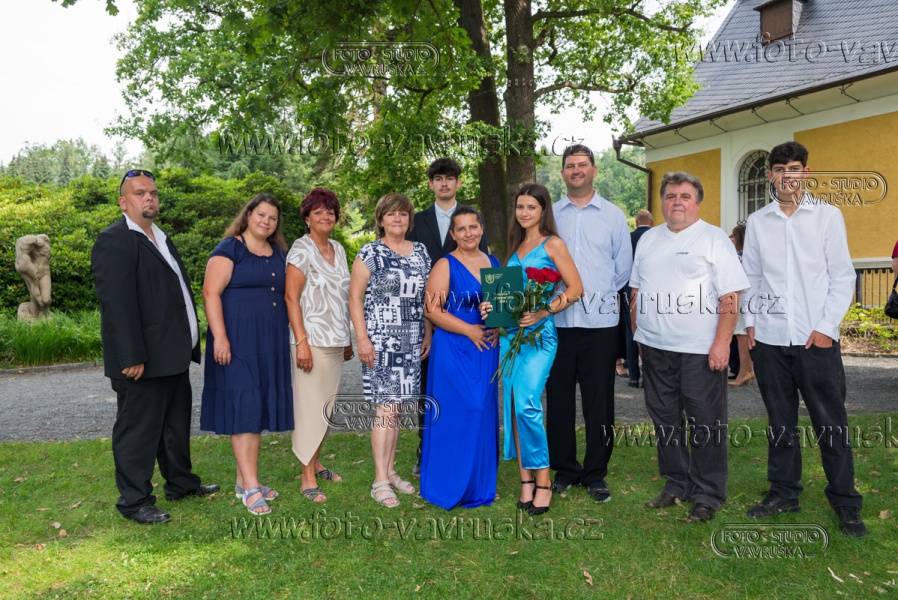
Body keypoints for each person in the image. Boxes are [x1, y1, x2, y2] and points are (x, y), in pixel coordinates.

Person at [742, 141, 866, 537]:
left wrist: (827, 328)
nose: (787, 175)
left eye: (794, 168)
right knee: (780, 422)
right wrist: (750, 322)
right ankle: (784, 493)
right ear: (770, 176)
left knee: (830, 423)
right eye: (779, 169)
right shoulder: (758, 222)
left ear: (805, 173)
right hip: (770, 340)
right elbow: (752, 277)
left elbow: (842, 277)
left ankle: (845, 502)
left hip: (816, 340)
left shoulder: (827, 216)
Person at [91, 169, 219, 525]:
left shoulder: (160, 237)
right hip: (142, 361)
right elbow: (117, 305)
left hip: (172, 356)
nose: (149, 198)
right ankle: (135, 502)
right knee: (138, 432)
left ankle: (180, 483)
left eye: (153, 193)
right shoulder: (115, 240)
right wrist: (131, 356)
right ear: (123, 202)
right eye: (139, 193)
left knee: (174, 427)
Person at [630, 171, 748, 523]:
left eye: (684, 196)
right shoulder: (648, 240)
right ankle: (675, 483)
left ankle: (707, 494)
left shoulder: (714, 238)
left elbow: (730, 296)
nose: (677, 202)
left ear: (697, 203)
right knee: (664, 419)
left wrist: (722, 343)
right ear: (662, 202)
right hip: (654, 347)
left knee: (705, 422)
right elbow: (636, 291)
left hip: (699, 349)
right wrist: (639, 336)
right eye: (670, 196)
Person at [483, 183, 583, 516]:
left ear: (543, 211)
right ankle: (525, 481)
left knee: (527, 405)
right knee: (513, 406)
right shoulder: (515, 245)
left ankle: (544, 481)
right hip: (510, 337)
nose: (524, 213)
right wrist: (492, 309)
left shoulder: (553, 244)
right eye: (520, 207)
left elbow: (576, 288)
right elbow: (506, 294)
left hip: (539, 337)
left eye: (531, 207)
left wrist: (544, 311)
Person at [547, 145, 632, 503]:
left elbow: (622, 269)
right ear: (563, 173)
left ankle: (596, 472)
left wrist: (596, 294)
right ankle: (565, 469)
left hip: (600, 323)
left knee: (600, 401)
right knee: (559, 400)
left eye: (583, 165)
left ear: (594, 170)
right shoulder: (550, 215)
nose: (576, 170)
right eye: (570, 165)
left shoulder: (613, 215)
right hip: (557, 322)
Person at [200, 194, 293, 515]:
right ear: (248, 215)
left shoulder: (278, 253)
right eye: (261, 215)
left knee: (257, 407)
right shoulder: (230, 248)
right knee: (244, 408)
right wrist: (220, 337)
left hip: (269, 341)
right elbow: (210, 292)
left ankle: (245, 482)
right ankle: (252, 488)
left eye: (272, 218)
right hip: (237, 341)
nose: (266, 222)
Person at [406, 157, 489, 477]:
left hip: (465, 310)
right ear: (431, 184)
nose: (444, 183)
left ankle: (468, 447)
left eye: (449, 178)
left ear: (458, 183)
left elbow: (483, 266)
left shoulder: (471, 219)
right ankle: (425, 446)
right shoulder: (417, 220)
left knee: (468, 392)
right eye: (438, 178)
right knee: (429, 384)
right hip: (426, 310)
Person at [349, 194, 432, 507]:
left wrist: (428, 331)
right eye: (391, 214)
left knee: (397, 409)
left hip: (411, 341)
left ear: (409, 220)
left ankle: (391, 471)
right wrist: (362, 339)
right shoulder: (370, 252)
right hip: (381, 342)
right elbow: (354, 297)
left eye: (403, 214)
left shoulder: (420, 252)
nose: (398, 219)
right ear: (381, 219)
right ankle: (379, 481)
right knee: (386, 409)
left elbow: (427, 297)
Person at [421, 206, 500, 509]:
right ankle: (448, 482)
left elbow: (500, 304)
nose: (468, 233)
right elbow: (432, 310)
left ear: (481, 228)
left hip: (485, 348)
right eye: (461, 229)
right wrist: (469, 330)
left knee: (482, 411)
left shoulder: (493, 262)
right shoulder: (445, 264)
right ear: (453, 234)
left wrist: (497, 325)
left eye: (473, 227)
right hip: (454, 347)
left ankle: (478, 484)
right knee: (461, 411)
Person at [285, 187, 353, 503]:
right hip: (310, 342)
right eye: (318, 212)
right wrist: (301, 342)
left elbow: (344, 298)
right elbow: (291, 297)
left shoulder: (338, 249)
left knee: (326, 408)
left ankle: (317, 462)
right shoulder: (302, 248)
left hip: (336, 341)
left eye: (330, 211)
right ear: (307, 218)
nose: (325, 216)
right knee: (310, 410)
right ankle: (307, 477)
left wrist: (348, 338)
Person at [622, 210, 653, 388]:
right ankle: (650, 375)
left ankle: (634, 376)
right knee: (651, 331)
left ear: (636, 222)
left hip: (629, 289)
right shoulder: (656, 237)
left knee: (631, 332)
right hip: (652, 290)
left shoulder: (628, 238)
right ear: (652, 222)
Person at [728, 224, 755, 387]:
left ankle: (743, 372)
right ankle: (749, 370)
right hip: (753, 297)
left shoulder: (738, 256)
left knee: (741, 335)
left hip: (742, 297)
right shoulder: (752, 255)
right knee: (747, 334)